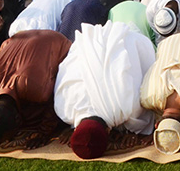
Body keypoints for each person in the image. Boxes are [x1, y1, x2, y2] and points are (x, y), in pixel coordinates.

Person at [54, 21, 156, 159]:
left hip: (127, 40)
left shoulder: (126, 107)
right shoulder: (63, 108)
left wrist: (128, 130)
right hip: (102, 41)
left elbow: (146, 112)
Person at [0, 30, 71, 149]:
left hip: (57, 41)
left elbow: (57, 98)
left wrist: (43, 133)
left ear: (18, 119)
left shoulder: (36, 88)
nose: (9, 140)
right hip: (17, 38)